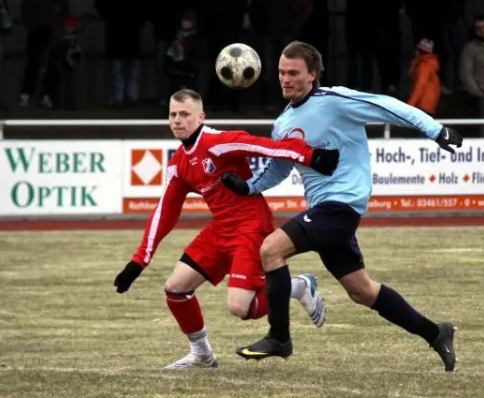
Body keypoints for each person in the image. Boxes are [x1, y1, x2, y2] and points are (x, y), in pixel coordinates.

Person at [221, 41, 464, 372]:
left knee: (270, 250)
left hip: (341, 206)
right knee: (363, 292)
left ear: (313, 75)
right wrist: (249, 186)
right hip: (325, 213)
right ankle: (437, 333)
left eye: (293, 73)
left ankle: (279, 337)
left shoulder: (335, 101)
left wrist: (435, 130)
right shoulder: (283, 123)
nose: (285, 79)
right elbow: (279, 167)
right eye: (281, 72)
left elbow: (387, 106)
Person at [113, 88, 337, 369]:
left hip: (251, 226)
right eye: (173, 115)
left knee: (241, 308)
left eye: (185, 114)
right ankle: (202, 355)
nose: (178, 120)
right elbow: (164, 213)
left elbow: (263, 146)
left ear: (200, 117)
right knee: (175, 288)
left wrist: (310, 155)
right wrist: (139, 261)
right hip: (220, 229)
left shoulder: (218, 142)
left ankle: (298, 286)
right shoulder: (178, 164)